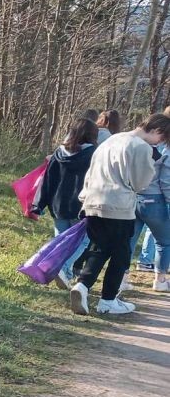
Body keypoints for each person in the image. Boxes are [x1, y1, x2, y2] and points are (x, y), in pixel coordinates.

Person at [68, 113, 169, 315]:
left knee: (99, 249)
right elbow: (140, 183)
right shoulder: (141, 147)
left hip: (93, 201)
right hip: (118, 206)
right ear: (157, 131)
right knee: (121, 255)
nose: (160, 143)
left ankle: (82, 286)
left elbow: (91, 171)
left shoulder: (112, 139)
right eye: (162, 139)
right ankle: (107, 301)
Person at [31, 115, 98, 289]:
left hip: (58, 204)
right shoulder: (94, 154)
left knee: (60, 240)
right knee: (82, 241)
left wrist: (39, 204)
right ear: (92, 135)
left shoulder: (58, 153)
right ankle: (64, 269)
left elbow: (48, 179)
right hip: (81, 205)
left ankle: (55, 271)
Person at [130, 135, 170, 292]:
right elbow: (166, 180)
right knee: (164, 242)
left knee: (129, 240)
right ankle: (160, 280)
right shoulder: (166, 149)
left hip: (134, 197)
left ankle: (122, 277)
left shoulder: (140, 144)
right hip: (155, 199)